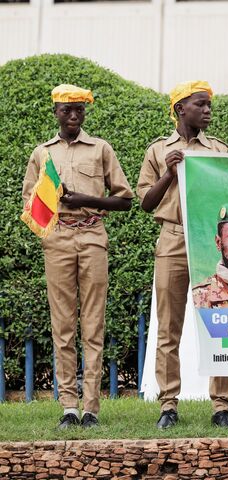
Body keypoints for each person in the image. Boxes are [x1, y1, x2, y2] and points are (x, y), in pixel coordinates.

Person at [22, 84, 134, 429]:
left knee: (93, 324)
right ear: (55, 111)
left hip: (92, 235)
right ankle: (69, 407)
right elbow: (29, 203)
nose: (73, 116)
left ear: (84, 113)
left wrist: (84, 198)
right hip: (57, 238)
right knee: (63, 325)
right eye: (66, 110)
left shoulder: (100, 149)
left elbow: (125, 199)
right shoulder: (43, 153)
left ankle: (91, 409)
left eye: (79, 111)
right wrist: (51, 209)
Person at [137, 81, 228, 429]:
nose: (208, 110)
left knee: (218, 323)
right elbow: (146, 203)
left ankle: (221, 406)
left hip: (210, 241)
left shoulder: (220, 150)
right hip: (173, 239)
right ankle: (168, 405)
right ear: (181, 109)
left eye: (209, 104)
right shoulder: (158, 150)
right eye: (201, 104)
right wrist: (168, 172)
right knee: (169, 328)